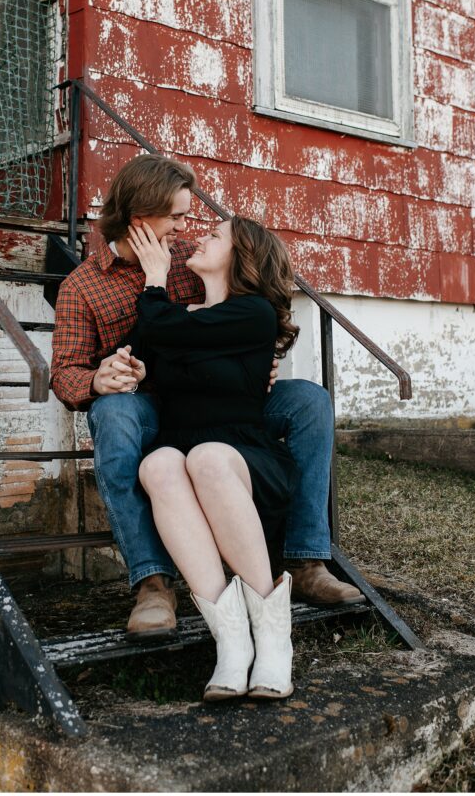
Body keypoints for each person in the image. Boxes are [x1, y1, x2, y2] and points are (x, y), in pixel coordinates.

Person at [50, 154, 362, 639]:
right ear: (140, 220)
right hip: (151, 403)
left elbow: (241, 305)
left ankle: (305, 561)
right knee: (112, 413)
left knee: (308, 399)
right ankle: (153, 582)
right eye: (175, 217)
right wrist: (96, 379)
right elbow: (65, 372)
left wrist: (256, 360)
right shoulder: (82, 286)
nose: (185, 227)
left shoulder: (192, 260)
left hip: (223, 398)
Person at [128, 215, 299, 699]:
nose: (201, 237)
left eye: (215, 235)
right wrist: (128, 364)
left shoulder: (253, 314)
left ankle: (273, 638)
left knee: (206, 457)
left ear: (242, 254)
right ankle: (232, 640)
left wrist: (155, 282)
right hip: (181, 446)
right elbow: (144, 348)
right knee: (157, 464)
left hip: (241, 456)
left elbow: (164, 330)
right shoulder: (176, 314)